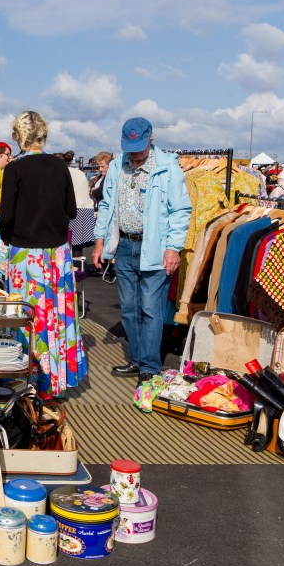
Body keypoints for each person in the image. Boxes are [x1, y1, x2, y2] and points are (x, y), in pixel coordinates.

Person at [91, 117, 192, 384]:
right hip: (124, 244)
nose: (134, 151)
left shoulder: (168, 167)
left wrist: (173, 248)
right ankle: (136, 359)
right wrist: (100, 240)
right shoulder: (116, 166)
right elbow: (106, 206)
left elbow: (180, 210)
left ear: (151, 138)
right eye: (129, 145)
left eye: (139, 144)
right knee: (129, 309)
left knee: (150, 308)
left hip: (155, 248)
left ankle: (149, 365)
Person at [0, 110, 88, 397]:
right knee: (57, 317)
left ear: (17, 137)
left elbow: (6, 217)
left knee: (28, 317)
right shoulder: (60, 166)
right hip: (57, 255)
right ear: (44, 136)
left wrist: (9, 236)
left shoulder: (14, 169)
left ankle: (29, 377)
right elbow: (72, 211)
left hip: (25, 256)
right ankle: (57, 379)